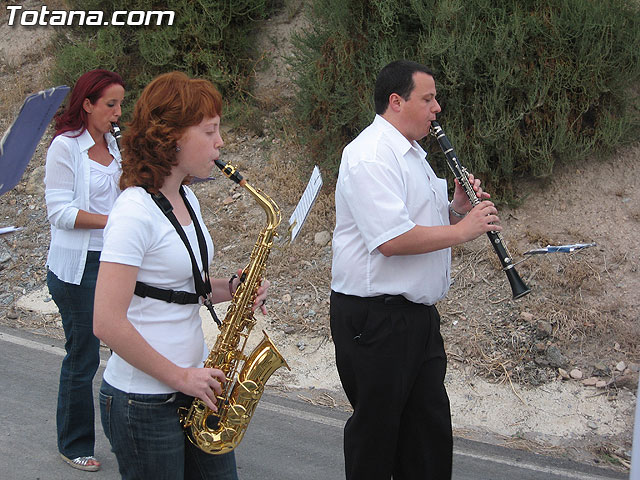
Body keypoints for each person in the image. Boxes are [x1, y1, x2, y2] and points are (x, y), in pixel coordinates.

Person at [330, 59, 502, 480]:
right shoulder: (370, 155)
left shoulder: (413, 155)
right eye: (428, 99)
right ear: (396, 101)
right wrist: (463, 230)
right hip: (375, 319)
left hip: (416, 319)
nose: (436, 108)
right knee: (376, 442)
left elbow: (419, 222)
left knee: (428, 439)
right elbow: (391, 240)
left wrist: (455, 208)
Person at [93, 71, 268, 480]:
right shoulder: (133, 212)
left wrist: (234, 289)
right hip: (143, 401)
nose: (219, 142)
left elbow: (182, 287)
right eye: (209, 131)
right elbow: (106, 322)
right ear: (171, 137)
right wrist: (181, 377)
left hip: (194, 388)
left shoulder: (186, 197)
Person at [44, 69, 125, 472]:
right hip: (79, 268)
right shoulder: (64, 147)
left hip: (116, 261)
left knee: (130, 349)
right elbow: (60, 213)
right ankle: (74, 443)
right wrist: (116, 221)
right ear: (88, 104)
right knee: (84, 356)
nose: (118, 112)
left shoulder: (117, 145)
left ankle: (133, 438)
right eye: (111, 104)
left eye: (121, 104)